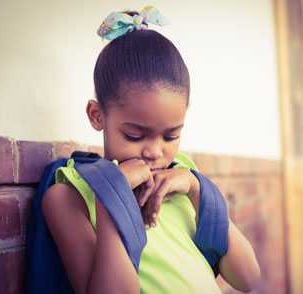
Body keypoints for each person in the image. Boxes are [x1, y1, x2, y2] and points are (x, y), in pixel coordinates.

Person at [41, 7, 260, 294]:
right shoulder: (70, 196)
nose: (155, 152)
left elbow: (249, 279)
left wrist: (198, 189)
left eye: (171, 135)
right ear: (97, 115)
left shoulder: (180, 179)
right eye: (134, 135)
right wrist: (113, 198)